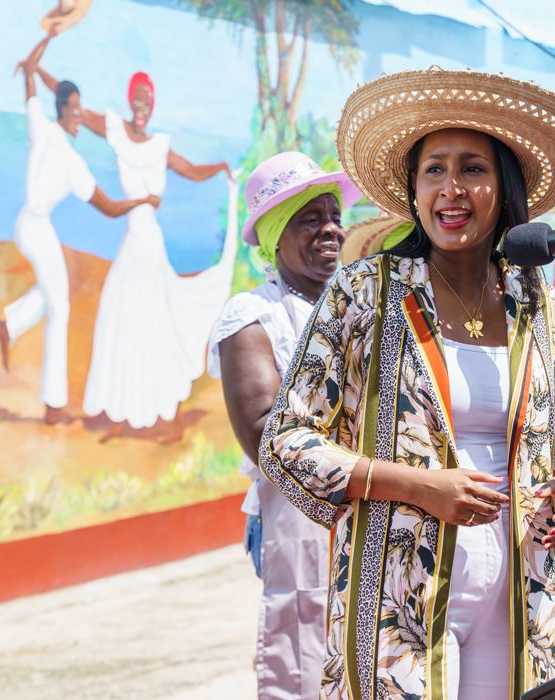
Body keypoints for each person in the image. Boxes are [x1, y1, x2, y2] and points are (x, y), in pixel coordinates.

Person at [260, 68, 555, 700]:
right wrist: (418, 487)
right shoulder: (364, 292)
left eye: (473, 168)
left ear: (505, 187)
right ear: (413, 190)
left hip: (524, 595)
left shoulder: (541, 304)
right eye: (434, 170)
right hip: (398, 602)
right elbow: (286, 441)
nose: (452, 189)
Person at [207, 151, 361, 700]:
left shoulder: (357, 307)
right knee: (306, 648)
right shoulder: (253, 316)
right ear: (275, 234)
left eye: (333, 215)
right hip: (297, 513)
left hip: (373, 504)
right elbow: (264, 433)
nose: (330, 230)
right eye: (309, 219)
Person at [32, 59, 236, 442]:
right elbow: (71, 102)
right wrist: (37, 71)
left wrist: (221, 166)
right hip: (131, 247)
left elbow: (191, 170)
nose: (142, 108)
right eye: (137, 101)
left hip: (152, 250)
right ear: (130, 102)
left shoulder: (161, 148)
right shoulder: (116, 133)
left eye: (148, 102)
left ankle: (171, 419)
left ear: (153, 106)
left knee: (158, 329)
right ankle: (120, 415)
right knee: (118, 324)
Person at [0, 31, 158, 425]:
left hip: (28, 224)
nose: (80, 119)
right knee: (62, 306)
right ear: (65, 110)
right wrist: (145, 200)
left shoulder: (40, 126)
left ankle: (11, 322)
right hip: (36, 229)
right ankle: (53, 406)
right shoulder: (70, 161)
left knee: (56, 295)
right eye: (75, 110)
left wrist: (47, 37)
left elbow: (30, 76)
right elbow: (108, 208)